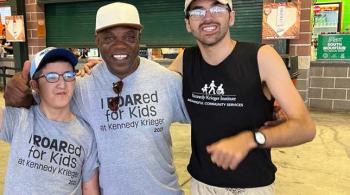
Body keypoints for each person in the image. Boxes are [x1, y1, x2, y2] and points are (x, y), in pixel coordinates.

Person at [4, 2, 189, 194]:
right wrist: (17, 95)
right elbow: (39, 101)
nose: (120, 45)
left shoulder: (166, 81)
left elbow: (207, 113)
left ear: (139, 38)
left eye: (129, 37)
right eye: (108, 38)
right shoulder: (81, 87)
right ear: (97, 41)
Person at [167, 0, 316, 194]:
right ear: (188, 23)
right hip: (201, 184)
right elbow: (154, 91)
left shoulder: (262, 57)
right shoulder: (185, 60)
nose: (208, 17)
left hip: (251, 187)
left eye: (217, 8)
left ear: (232, 17)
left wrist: (251, 139)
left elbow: (305, 128)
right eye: (197, 11)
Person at [0, 47, 99, 195]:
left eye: (68, 75)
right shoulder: (20, 120)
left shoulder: (86, 134)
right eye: (52, 77)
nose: (62, 84)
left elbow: (89, 189)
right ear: (34, 85)